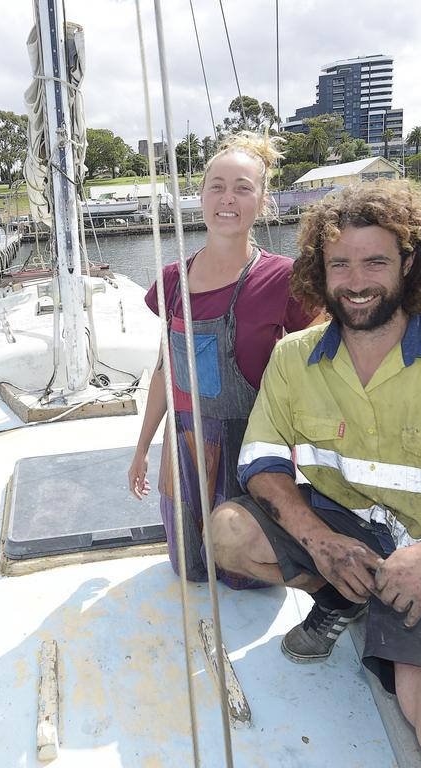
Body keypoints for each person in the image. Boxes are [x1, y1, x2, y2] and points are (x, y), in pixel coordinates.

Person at [210, 180, 421, 768]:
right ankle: (345, 595)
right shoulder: (295, 358)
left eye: (375, 262)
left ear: (409, 264)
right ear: (321, 270)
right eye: (340, 264)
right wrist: (321, 540)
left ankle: (395, 616)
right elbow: (260, 461)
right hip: (340, 530)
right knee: (228, 533)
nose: (356, 282)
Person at [128, 132, 315, 585]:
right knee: (189, 569)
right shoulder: (173, 279)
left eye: (243, 187)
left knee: (245, 575)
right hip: (185, 449)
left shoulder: (283, 278)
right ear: (201, 194)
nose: (227, 198)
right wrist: (141, 450)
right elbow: (163, 371)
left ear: (263, 201)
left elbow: (335, 347)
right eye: (217, 185)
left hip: (252, 450)